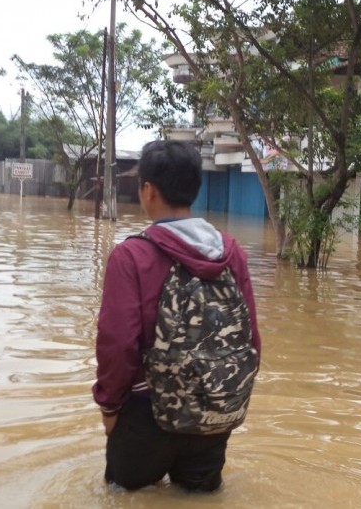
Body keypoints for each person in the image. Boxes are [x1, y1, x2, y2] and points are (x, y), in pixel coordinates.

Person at [93, 140, 261, 492]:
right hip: (215, 412)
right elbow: (252, 339)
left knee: (123, 498)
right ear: (195, 188)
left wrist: (109, 408)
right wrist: (226, 399)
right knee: (199, 499)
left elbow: (117, 345)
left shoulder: (132, 256)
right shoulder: (232, 254)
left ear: (148, 191)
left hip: (146, 413)